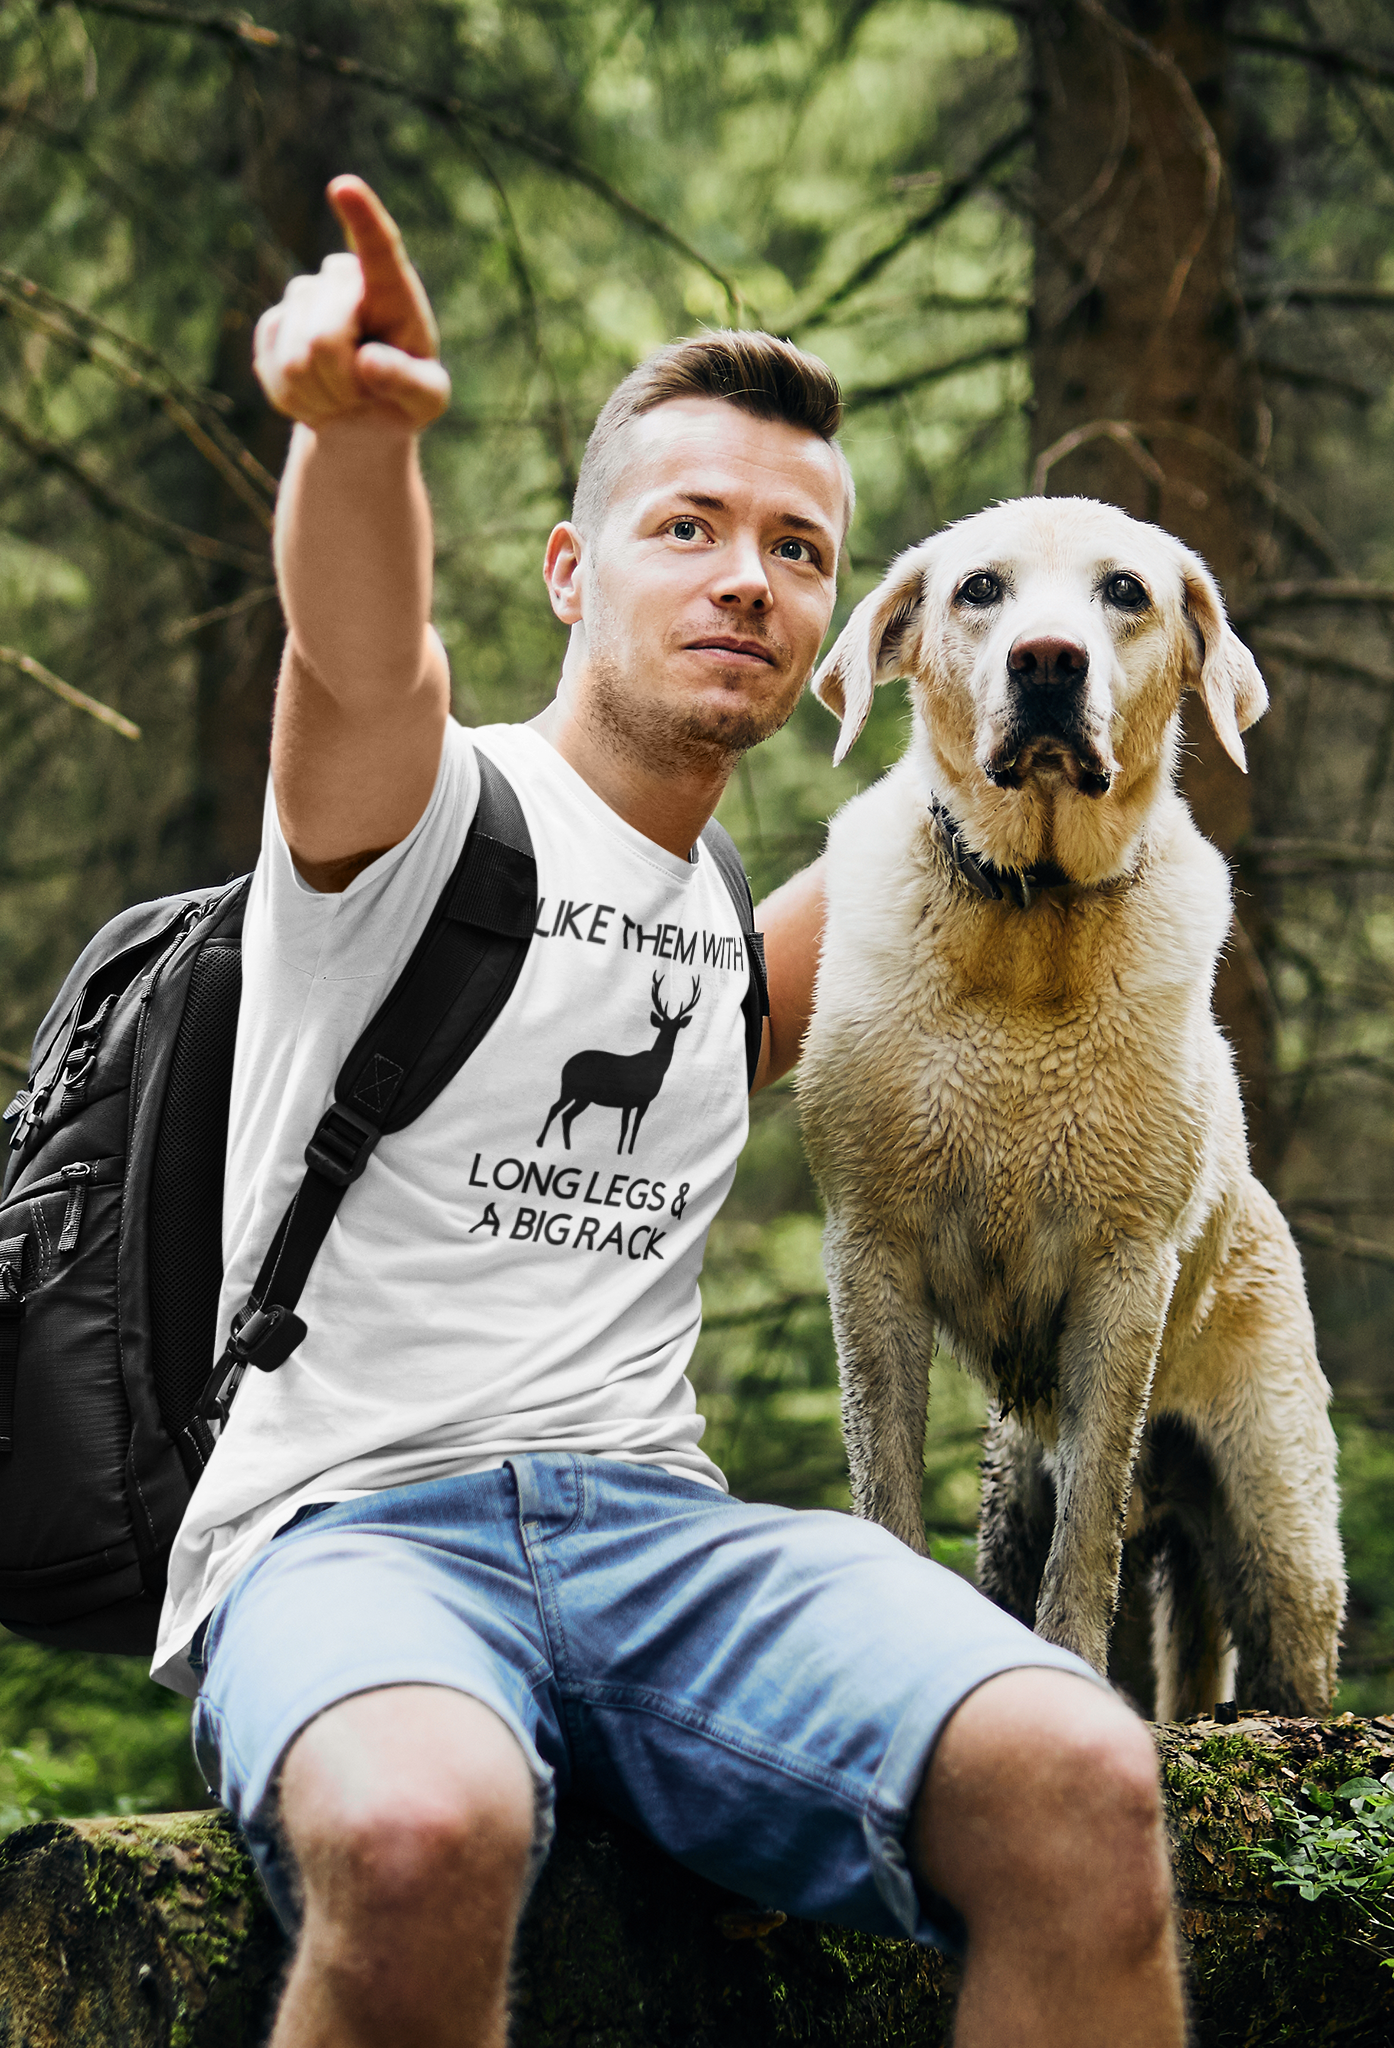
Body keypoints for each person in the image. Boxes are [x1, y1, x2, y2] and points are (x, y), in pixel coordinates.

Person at [153, 176, 1187, 2048]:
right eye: (687, 527)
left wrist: (1072, 671)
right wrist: (357, 443)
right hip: (350, 1531)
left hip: (660, 1539)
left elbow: (1009, 820)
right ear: (572, 569)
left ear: (844, 635)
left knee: (1083, 1782)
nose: (746, 578)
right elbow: (357, 655)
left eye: (798, 550)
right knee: (417, 1832)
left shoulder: (747, 931)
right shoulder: (418, 819)